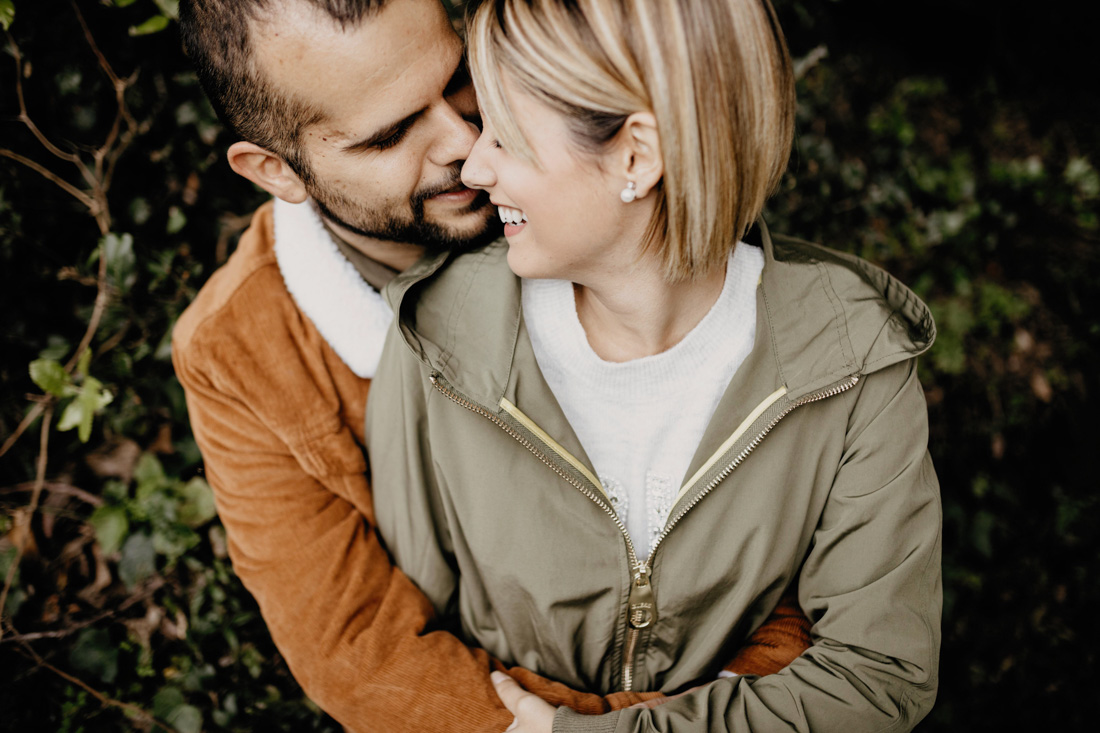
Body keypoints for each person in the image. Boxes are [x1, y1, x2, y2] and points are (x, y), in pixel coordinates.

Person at [171, 1, 811, 730]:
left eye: (459, 77)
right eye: (390, 135)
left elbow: (793, 501)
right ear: (275, 170)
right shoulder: (239, 353)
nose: (464, 142)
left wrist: (738, 697)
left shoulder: (606, 174)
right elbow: (359, 651)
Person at [365, 0, 943, 731]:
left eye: (506, 136)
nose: (474, 165)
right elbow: (407, 633)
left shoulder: (854, 359)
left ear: (637, 156)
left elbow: (878, 676)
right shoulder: (437, 332)